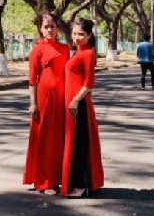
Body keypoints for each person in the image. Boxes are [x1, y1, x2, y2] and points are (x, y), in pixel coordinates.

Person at [24, 12, 71, 195]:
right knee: (45, 139)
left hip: (63, 99)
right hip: (44, 99)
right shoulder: (37, 50)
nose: (49, 29)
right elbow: (32, 80)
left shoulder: (65, 48)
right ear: (40, 30)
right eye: (46, 27)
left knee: (59, 140)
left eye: (52, 26)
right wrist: (33, 103)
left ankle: (58, 179)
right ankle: (44, 182)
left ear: (57, 28)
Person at [63, 19, 105, 198]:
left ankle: (81, 185)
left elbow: (89, 83)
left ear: (89, 35)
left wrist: (75, 100)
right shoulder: (77, 52)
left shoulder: (87, 53)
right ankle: (77, 183)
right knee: (73, 142)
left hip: (77, 104)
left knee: (79, 144)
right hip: (72, 103)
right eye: (74, 33)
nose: (77, 37)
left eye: (81, 34)